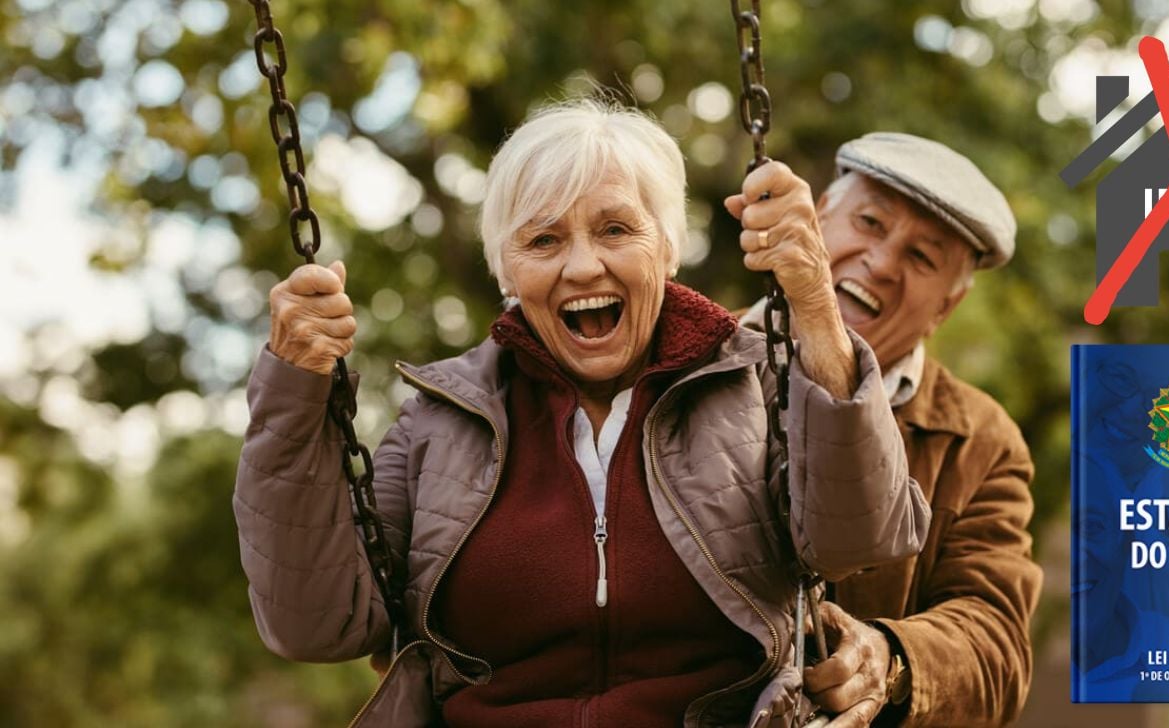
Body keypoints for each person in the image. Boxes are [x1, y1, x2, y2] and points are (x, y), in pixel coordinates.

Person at [233, 100, 929, 727]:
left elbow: (858, 540)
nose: (582, 267)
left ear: (667, 246)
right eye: (542, 241)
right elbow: (315, 627)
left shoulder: (755, 384)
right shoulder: (436, 424)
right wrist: (294, 388)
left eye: (615, 229)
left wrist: (812, 306)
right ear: (507, 270)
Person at [728, 133, 1042, 726]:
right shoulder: (688, 364)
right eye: (870, 222)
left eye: (922, 257)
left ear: (947, 307)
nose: (884, 261)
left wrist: (890, 657)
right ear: (818, 217)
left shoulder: (981, 441)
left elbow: (996, 643)